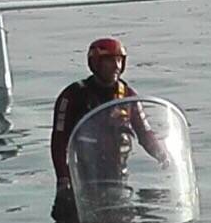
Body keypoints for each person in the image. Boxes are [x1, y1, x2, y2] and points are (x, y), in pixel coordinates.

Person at [50, 38, 170, 200]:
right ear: (95, 63)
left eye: (119, 60)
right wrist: (63, 179)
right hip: (84, 182)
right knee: (65, 218)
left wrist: (163, 155)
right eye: (110, 61)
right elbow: (59, 140)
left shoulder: (128, 96)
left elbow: (144, 132)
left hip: (119, 181)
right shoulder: (73, 96)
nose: (116, 66)